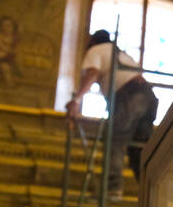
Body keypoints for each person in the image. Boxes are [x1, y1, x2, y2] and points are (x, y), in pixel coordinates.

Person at [66, 28, 158, 197]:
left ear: (92, 42)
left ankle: (112, 187)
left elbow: (92, 73)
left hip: (129, 96)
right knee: (139, 149)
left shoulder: (96, 50)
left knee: (114, 139)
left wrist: (77, 100)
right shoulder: (121, 54)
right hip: (149, 97)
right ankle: (150, 192)